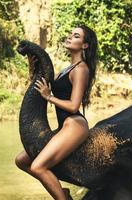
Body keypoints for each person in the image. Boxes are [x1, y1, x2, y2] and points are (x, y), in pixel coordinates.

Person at [15, 25, 98, 200]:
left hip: (75, 125)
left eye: (76, 36)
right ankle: (62, 193)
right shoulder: (67, 69)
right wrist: (34, 70)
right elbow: (42, 87)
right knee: (22, 161)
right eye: (70, 34)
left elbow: (74, 106)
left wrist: (49, 97)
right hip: (63, 127)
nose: (70, 37)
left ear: (85, 45)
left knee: (38, 166)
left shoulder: (81, 69)